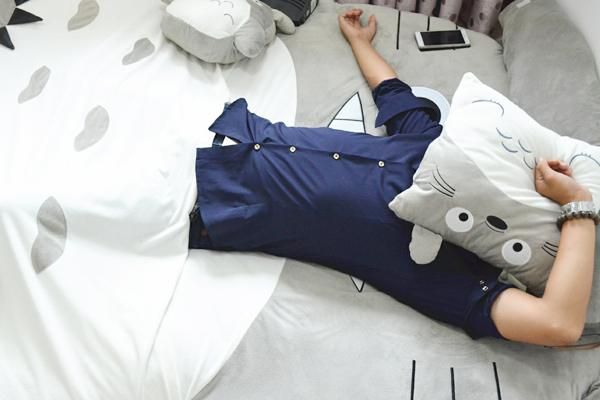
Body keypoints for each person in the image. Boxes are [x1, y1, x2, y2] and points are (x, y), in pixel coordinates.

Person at [189, 9, 596, 346]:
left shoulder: (458, 273)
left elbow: (558, 325)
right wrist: (360, 42)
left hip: (213, 202)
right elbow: (392, 91)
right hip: (225, 124)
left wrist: (577, 206)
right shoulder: (436, 144)